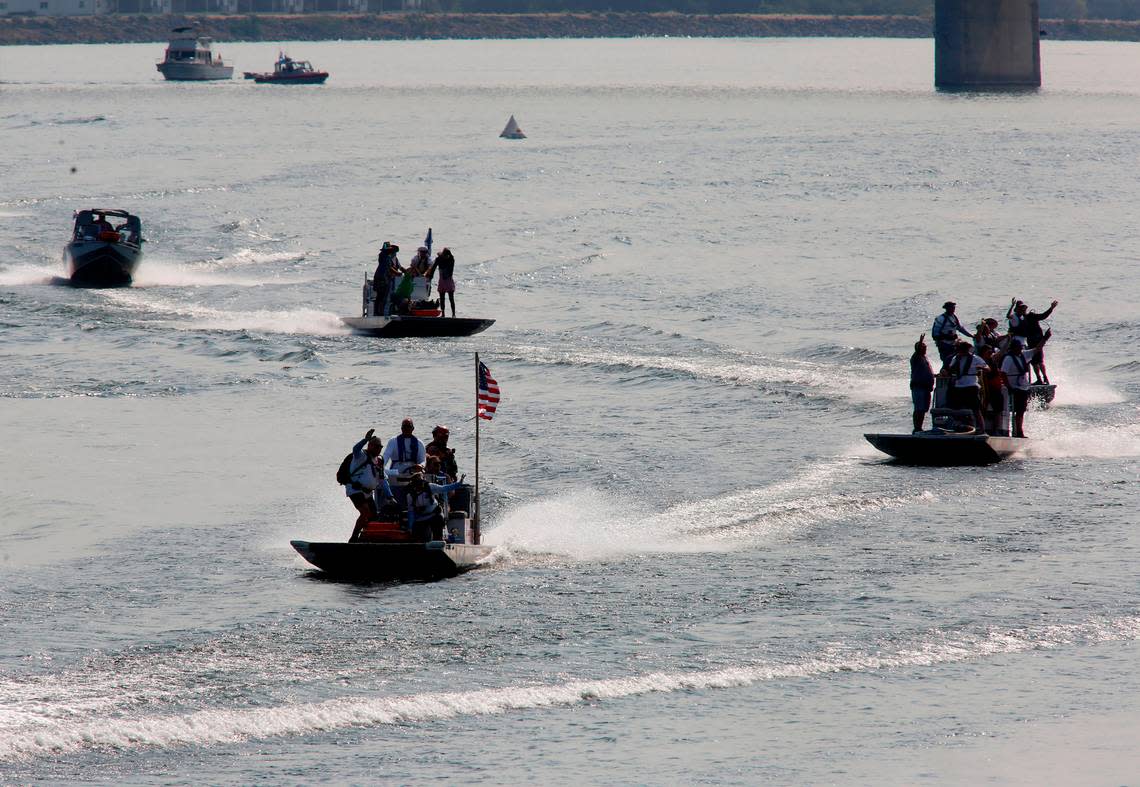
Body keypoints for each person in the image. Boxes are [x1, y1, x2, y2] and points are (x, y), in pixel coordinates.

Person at [344, 429, 394, 542]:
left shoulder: (379, 461)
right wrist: (365, 439)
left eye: (380, 447)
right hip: (355, 490)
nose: (378, 449)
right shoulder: (360, 455)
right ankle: (353, 538)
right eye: (376, 446)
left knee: (373, 516)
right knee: (365, 512)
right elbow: (355, 449)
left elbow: (383, 480)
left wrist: (390, 496)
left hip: (367, 492)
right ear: (370, 446)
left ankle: (365, 538)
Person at [1001, 333, 1052, 438]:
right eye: (1018, 348)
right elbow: (1003, 373)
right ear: (1013, 348)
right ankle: (1013, 431)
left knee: (1021, 411)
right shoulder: (1008, 359)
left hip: (1023, 387)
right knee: (1014, 410)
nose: (1020, 350)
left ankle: (1019, 431)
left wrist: (1045, 338)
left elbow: (1037, 349)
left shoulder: (1023, 354)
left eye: (1020, 348)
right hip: (1014, 388)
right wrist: (1009, 387)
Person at [404, 469, 466, 541]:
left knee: (438, 524)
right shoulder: (410, 495)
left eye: (421, 482)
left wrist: (459, 483)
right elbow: (411, 512)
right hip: (421, 518)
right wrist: (410, 527)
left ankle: (439, 539)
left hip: (434, 515)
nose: (419, 485)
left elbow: (445, 488)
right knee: (417, 535)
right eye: (417, 483)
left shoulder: (430, 487)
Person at [1009, 299, 1058, 384]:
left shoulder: (1030, 316)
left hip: (1036, 340)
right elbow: (1010, 317)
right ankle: (1041, 379)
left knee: (1037, 361)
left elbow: (1043, 316)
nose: (1023, 310)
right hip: (1032, 341)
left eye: (1023, 308)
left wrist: (1051, 308)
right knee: (1035, 361)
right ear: (1017, 309)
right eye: (1021, 308)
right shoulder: (1020, 318)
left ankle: (1043, 378)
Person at [947, 341, 990, 434]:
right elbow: (950, 369)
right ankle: (958, 426)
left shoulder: (975, 359)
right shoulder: (956, 358)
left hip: (971, 386)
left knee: (976, 409)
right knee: (956, 408)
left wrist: (981, 367)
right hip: (959, 386)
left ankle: (982, 429)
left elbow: (987, 368)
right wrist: (957, 361)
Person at [909, 334, 935, 433]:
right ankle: (917, 428)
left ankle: (920, 427)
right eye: (923, 348)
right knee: (918, 408)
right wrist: (920, 341)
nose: (925, 349)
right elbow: (918, 349)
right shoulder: (916, 357)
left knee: (924, 409)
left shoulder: (924, 358)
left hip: (926, 387)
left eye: (925, 347)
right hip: (918, 387)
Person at [373, 242, 401, 317]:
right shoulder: (384, 255)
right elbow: (389, 268)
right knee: (380, 296)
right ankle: (377, 312)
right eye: (390, 250)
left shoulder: (387, 256)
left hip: (383, 278)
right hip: (381, 278)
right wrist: (397, 273)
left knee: (382, 296)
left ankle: (379, 312)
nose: (392, 252)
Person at [430, 248, 457, 318]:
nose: (447, 257)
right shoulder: (439, 259)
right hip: (442, 280)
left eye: (448, 256)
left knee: (451, 298)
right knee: (442, 298)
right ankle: (443, 314)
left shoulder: (451, 259)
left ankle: (453, 314)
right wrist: (431, 276)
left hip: (448, 279)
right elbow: (433, 268)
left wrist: (446, 275)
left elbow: (450, 271)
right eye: (445, 256)